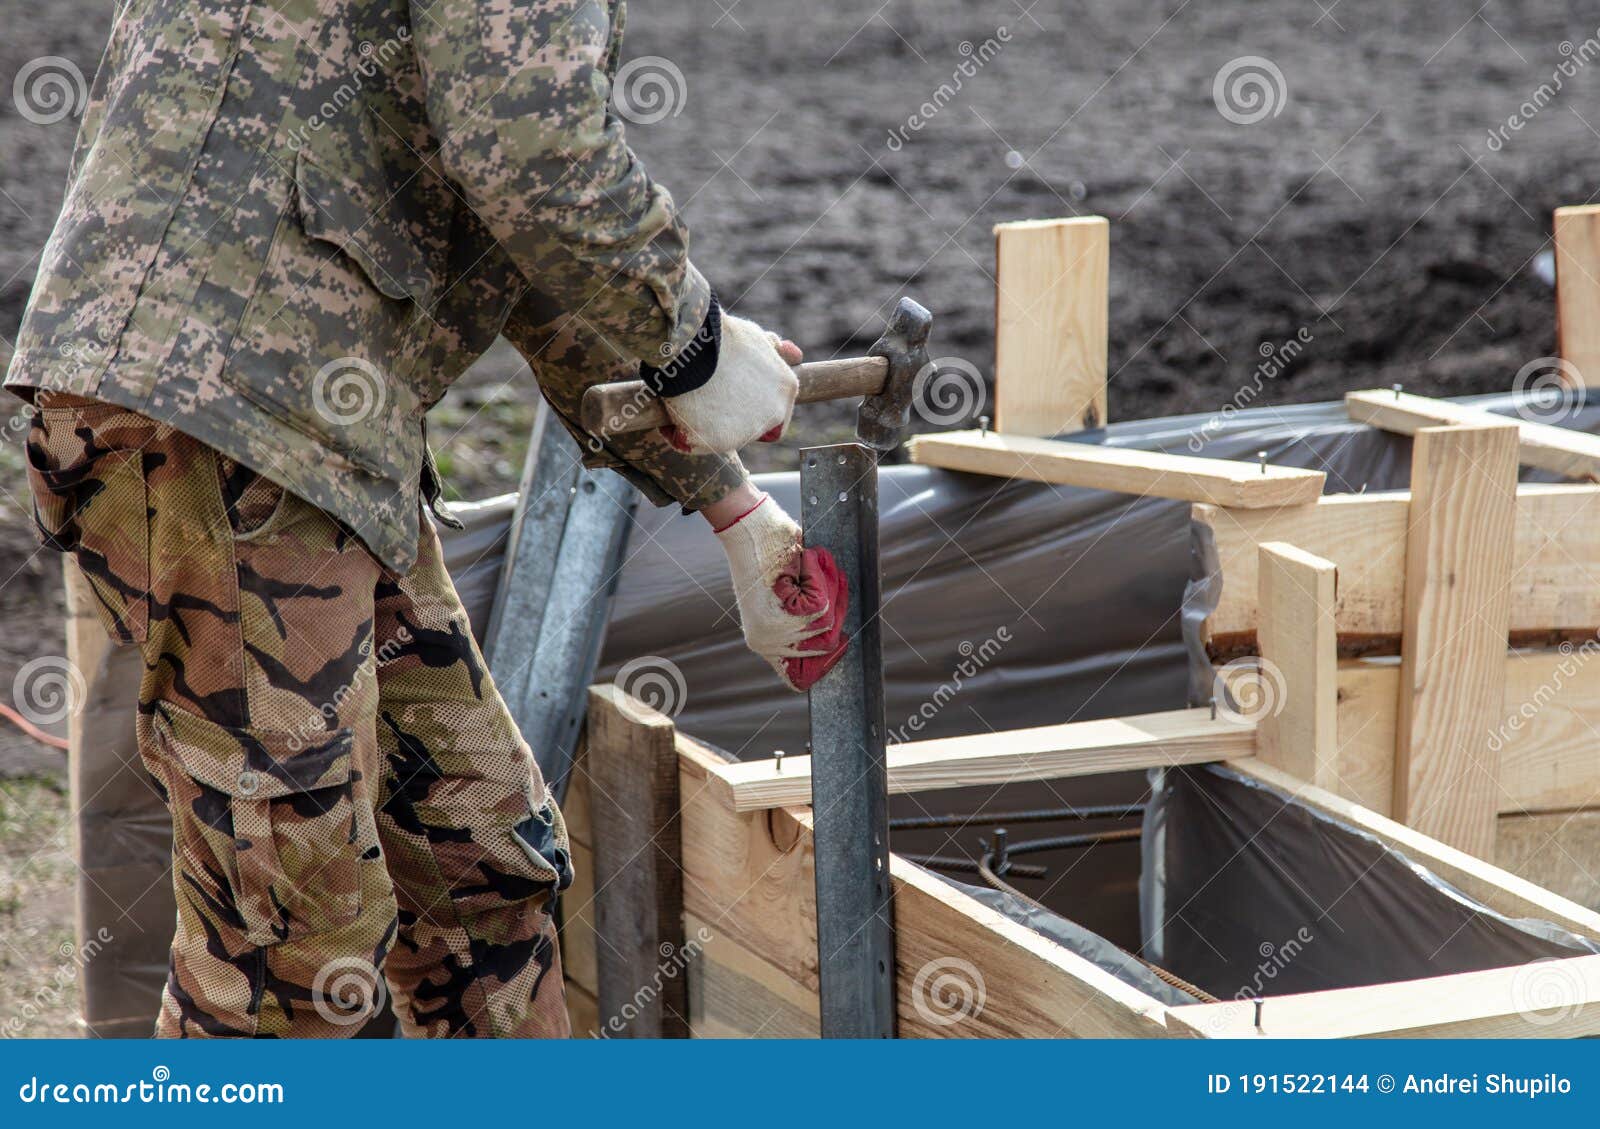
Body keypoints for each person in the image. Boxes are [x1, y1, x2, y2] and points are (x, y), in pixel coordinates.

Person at [6, 0, 845, 1038]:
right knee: (290, 958)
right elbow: (532, 154)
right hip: (217, 408)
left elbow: (521, 218)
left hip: (315, 431)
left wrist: (731, 503)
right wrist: (691, 342)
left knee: (481, 872)